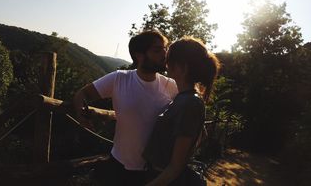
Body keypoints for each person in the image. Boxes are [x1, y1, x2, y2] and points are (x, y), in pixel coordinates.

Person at [73, 30, 178, 185]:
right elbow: (82, 94)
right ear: (139, 55)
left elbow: (191, 108)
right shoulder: (119, 79)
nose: (165, 54)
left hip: (154, 170)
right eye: (157, 50)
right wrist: (81, 116)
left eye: (165, 49)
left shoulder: (171, 85)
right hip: (119, 165)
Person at [143, 36, 220, 185]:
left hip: (164, 179)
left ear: (183, 67)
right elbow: (200, 135)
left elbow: (175, 167)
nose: (166, 62)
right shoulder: (185, 98)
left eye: (169, 59)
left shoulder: (189, 103)